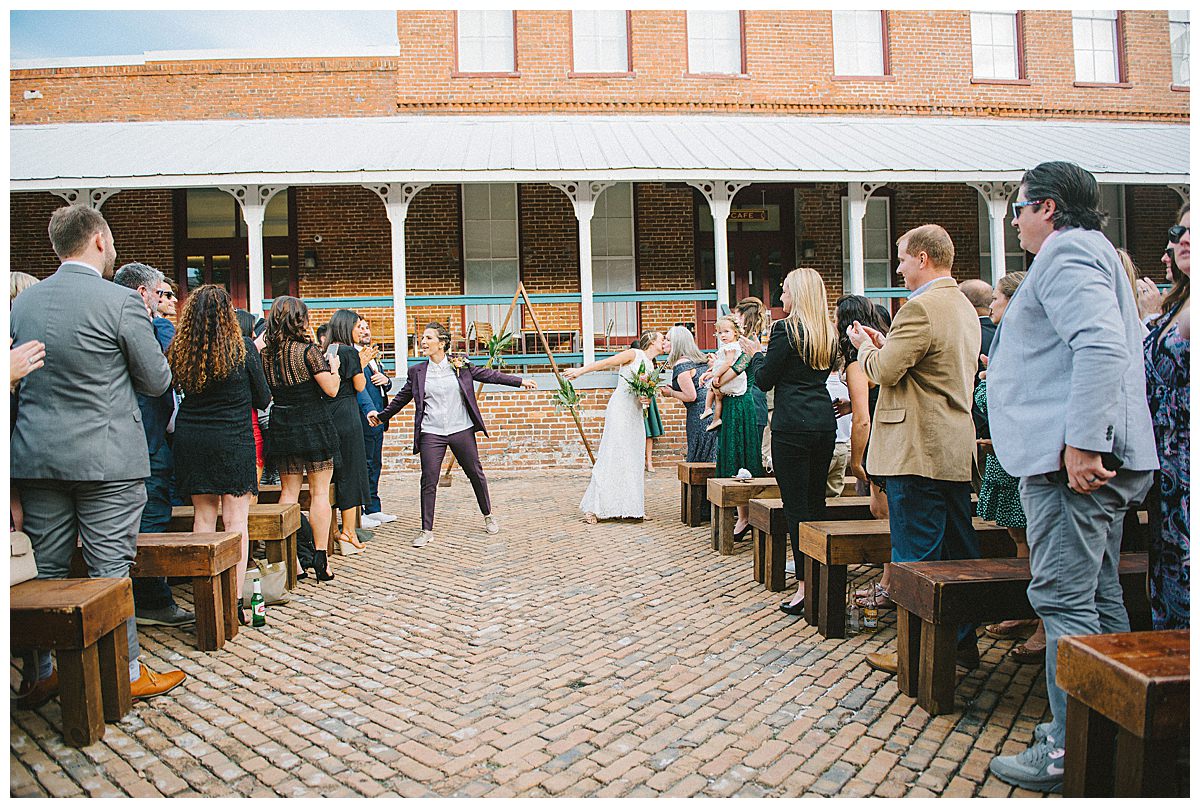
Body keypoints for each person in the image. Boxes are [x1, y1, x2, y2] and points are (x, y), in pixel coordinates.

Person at [986, 162, 1158, 793]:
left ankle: (1070, 748)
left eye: (1020, 209)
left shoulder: (1067, 253)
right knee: (1099, 596)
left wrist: (1084, 444)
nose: (1017, 221)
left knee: (1061, 599)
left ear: (1048, 208)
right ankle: (1107, 728)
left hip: (1074, 468)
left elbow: (1103, 344)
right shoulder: (1094, 252)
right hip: (1089, 461)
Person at [11, 204, 186, 708]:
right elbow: (157, 379)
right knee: (110, 566)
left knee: (45, 570)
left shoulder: (25, 305)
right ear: (100, 242)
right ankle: (124, 672)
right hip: (108, 457)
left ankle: (43, 673)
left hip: (39, 457)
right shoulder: (120, 302)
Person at [847, 224, 982, 675]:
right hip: (951, 447)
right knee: (956, 555)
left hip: (917, 450)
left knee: (915, 558)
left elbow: (884, 372)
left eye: (903, 258)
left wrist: (867, 348)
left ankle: (917, 651)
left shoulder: (920, 308)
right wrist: (888, 346)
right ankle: (961, 644)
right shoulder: (961, 305)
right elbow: (929, 367)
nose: (900, 267)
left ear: (923, 257)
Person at [369, 322, 536, 545]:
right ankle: (426, 530)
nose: (423, 342)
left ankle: (488, 515)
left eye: (429, 338)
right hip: (431, 432)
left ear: (442, 343)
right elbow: (401, 398)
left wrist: (520, 381)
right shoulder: (417, 371)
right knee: (428, 479)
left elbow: (489, 375)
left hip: (461, 429)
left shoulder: (460, 365)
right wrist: (382, 416)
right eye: (423, 338)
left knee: (475, 473)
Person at [168, 285, 271, 623]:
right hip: (231, 438)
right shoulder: (242, 348)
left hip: (193, 438)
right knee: (236, 520)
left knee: (203, 518)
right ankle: (232, 601)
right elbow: (262, 398)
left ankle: (205, 600)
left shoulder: (183, 349)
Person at [113, 262, 195, 629]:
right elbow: (163, 379)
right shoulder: (152, 327)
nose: (169, 301)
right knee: (152, 519)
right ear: (144, 294)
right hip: (147, 439)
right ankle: (152, 599)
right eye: (163, 294)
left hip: (139, 437)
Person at [756, 268, 838, 615]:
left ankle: (805, 586)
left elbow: (764, 379)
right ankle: (820, 579)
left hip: (791, 426)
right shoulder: (827, 333)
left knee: (796, 507)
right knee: (817, 503)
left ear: (799, 294)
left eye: (785, 291)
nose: (781, 296)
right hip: (823, 422)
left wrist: (756, 354)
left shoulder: (785, 330)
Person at [974, 272, 1046, 662]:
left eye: (997, 300)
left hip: (1019, 453)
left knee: (1031, 539)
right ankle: (1023, 608)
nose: (991, 308)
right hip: (1005, 451)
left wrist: (984, 382)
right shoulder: (1003, 338)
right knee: (1019, 538)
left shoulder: (1020, 339)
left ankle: (1038, 618)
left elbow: (997, 400)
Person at [260, 296, 341, 581]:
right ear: (300, 320)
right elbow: (330, 390)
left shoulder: (266, 354)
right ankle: (321, 558)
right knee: (319, 493)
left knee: (289, 493)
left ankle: (291, 559)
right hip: (313, 421)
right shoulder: (308, 351)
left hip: (283, 422)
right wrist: (336, 370)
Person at [565, 331, 667, 524]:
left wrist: (646, 398)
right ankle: (593, 508)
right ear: (652, 341)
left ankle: (632, 507)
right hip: (620, 410)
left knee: (633, 458)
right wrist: (579, 372)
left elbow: (645, 393)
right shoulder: (634, 354)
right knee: (611, 454)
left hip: (635, 413)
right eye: (663, 339)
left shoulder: (652, 364)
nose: (665, 342)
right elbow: (606, 362)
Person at [1144, 206, 1189, 630]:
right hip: (1167, 465)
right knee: (1169, 576)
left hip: (1189, 457)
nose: (1183, 240)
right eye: (1181, 230)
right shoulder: (1176, 304)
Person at [833, 295, 892, 607]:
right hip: (890, 435)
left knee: (883, 513)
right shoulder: (880, 347)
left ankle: (888, 584)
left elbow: (862, 419)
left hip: (879, 441)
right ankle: (887, 579)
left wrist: (857, 461)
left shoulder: (857, 361)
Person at [323, 309, 372, 553]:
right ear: (346, 326)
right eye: (356, 325)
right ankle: (348, 532)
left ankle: (332, 529)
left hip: (328, 415)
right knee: (351, 472)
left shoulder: (327, 350)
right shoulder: (349, 351)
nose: (359, 329)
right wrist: (360, 364)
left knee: (331, 475)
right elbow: (360, 385)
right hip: (347, 413)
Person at [353, 317, 398, 528]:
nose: (365, 331)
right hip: (364, 418)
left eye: (366, 327)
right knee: (366, 463)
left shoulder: (372, 356)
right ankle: (362, 510)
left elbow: (383, 384)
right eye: (360, 328)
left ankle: (374, 507)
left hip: (379, 416)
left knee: (375, 462)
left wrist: (386, 380)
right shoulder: (354, 357)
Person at [659, 324, 717, 463]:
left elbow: (691, 396)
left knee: (700, 453)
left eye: (667, 339)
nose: (664, 342)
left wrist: (671, 393)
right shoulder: (698, 360)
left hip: (699, 414)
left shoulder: (681, 365)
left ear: (676, 344)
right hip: (713, 409)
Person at [734, 298, 771, 473]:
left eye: (737, 317)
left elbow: (740, 367)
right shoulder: (762, 338)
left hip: (751, 401)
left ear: (744, 318)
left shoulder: (749, 342)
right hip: (756, 401)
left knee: (750, 456)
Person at [700, 315, 746, 432]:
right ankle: (716, 419)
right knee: (718, 397)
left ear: (735, 332)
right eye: (720, 333)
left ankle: (708, 408)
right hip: (730, 377)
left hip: (731, 379)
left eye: (726, 332)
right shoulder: (732, 346)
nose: (723, 335)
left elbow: (728, 364)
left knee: (712, 388)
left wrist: (716, 375)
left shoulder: (730, 347)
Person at [824, 371, 851, 498]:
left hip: (827, 445)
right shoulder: (847, 387)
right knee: (834, 493)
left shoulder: (821, 387)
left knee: (813, 491)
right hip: (843, 446)